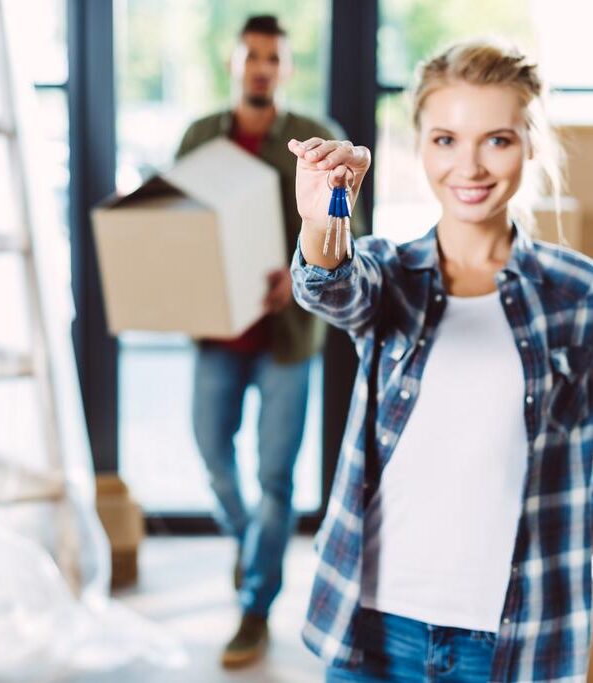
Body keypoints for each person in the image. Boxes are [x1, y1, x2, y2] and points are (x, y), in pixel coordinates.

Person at [289, 38, 593, 682]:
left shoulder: (578, 296)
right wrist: (322, 221)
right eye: (446, 139)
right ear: (420, 144)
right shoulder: (391, 273)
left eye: (498, 140)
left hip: (514, 642)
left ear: (531, 145)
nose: (471, 166)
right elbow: (333, 286)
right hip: (373, 628)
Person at [175, 15, 360, 668]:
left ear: (285, 67)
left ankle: (254, 605)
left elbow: (347, 232)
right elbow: (181, 220)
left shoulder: (316, 139)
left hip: (286, 334)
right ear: (234, 63)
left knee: (274, 476)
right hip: (217, 328)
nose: (260, 67)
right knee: (211, 451)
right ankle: (252, 540)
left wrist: (301, 266)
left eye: (272, 57)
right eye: (250, 55)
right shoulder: (202, 136)